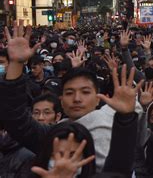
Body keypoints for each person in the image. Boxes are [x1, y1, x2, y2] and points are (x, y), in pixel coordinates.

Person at [0, 22, 144, 172]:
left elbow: (118, 170)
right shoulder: (53, 134)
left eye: (85, 92)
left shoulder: (113, 122)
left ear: (97, 98)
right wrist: (16, 64)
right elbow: (16, 119)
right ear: (61, 100)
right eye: (69, 93)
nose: (77, 98)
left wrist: (126, 118)